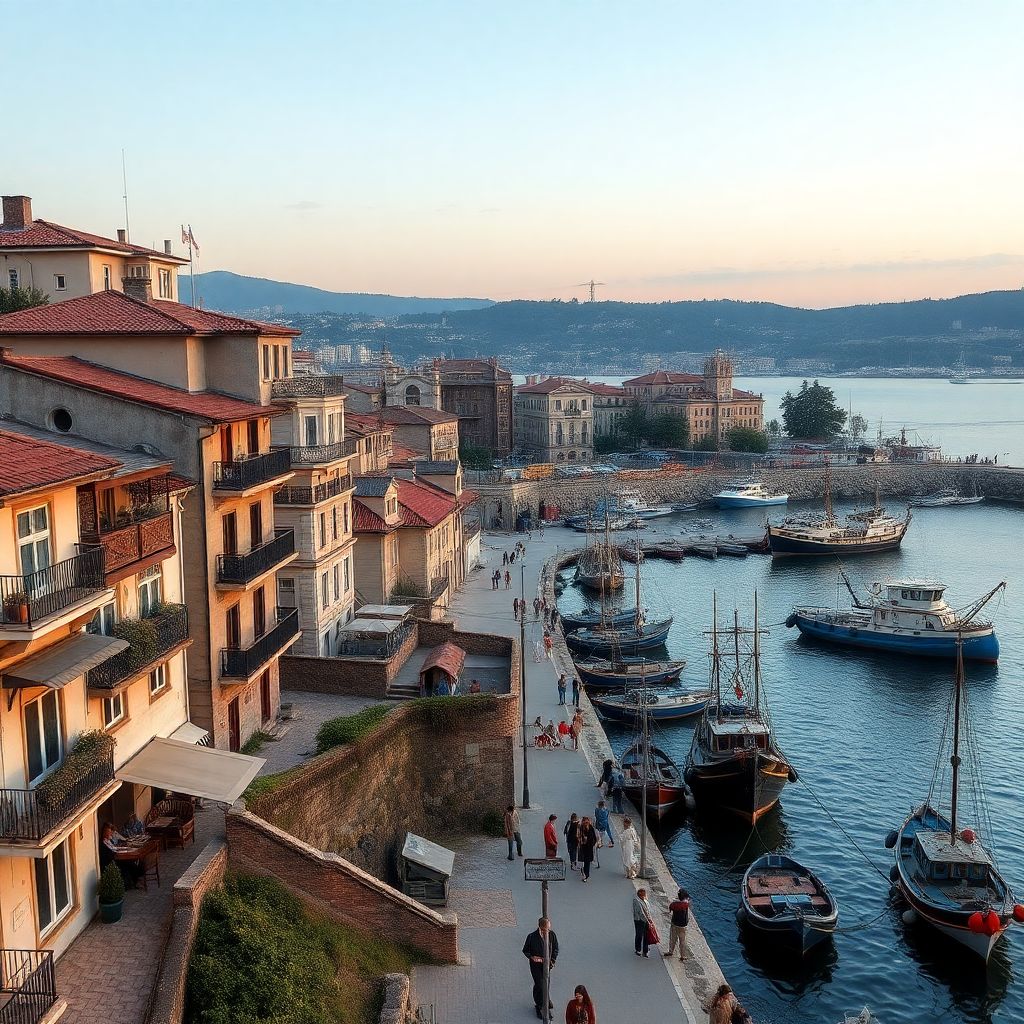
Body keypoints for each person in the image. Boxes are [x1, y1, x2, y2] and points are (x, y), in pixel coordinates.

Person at [523, 917, 558, 1021]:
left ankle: (545, 1001)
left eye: (549, 928)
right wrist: (532, 957)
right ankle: (540, 1006)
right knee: (540, 984)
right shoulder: (531, 937)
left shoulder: (552, 935)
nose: (548, 930)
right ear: (541, 927)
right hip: (536, 966)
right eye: (547, 929)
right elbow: (525, 950)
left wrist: (553, 960)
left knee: (546, 983)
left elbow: (555, 948)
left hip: (547, 965)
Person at [665, 888, 690, 961]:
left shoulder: (674, 904)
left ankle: (670, 951)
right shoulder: (686, 904)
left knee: (673, 938)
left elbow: (670, 908)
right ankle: (683, 956)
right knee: (682, 941)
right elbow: (688, 901)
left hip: (675, 923)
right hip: (683, 925)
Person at [632, 887, 655, 956]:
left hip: (645, 920)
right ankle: (638, 949)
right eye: (643, 894)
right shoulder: (636, 901)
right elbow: (641, 913)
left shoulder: (644, 900)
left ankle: (645, 949)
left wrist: (649, 919)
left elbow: (648, 911)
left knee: (646, 935)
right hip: (639, 920)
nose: (644, 895)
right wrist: (648, 921)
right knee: (639, 935)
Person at [577, 816, 598, 882]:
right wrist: (582, 841)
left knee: (587, 861)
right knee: (584, 861)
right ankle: (584, 873)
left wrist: (593, 843)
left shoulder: (591, 828)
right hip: (583, 847)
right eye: (585, 822)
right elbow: (578, 837)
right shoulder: (581, 828)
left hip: (589, 847)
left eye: (587, 822)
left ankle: (586, 874)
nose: (586, 823)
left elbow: (594, 837)